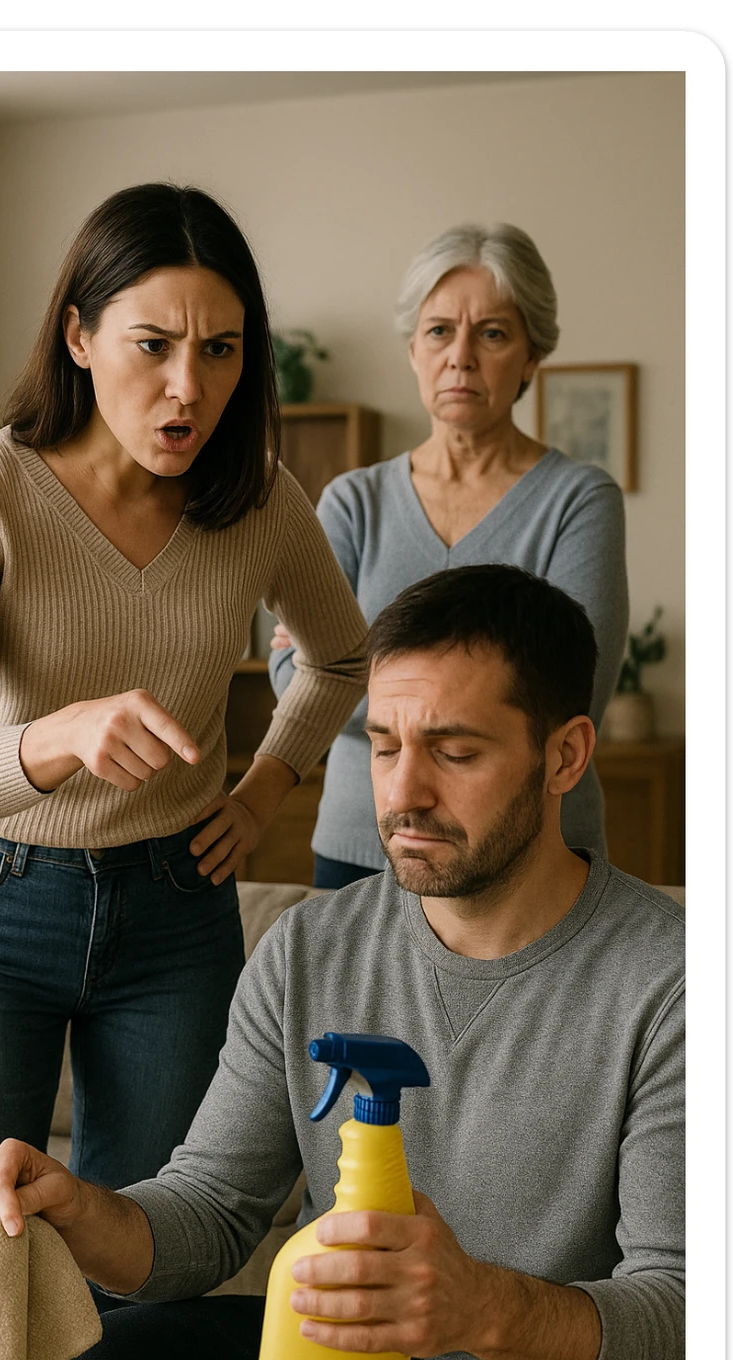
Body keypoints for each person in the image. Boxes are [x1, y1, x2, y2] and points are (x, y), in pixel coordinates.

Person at [0, 565, 684, 1360]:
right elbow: (213, 1208)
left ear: (565, 756)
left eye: (454, 753)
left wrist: (481, 1306)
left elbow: (686, 1313)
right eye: (383, 746)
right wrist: (76, 1216)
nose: (403, 794)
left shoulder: (673, 981)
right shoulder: (308, 949)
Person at [0, 183, 369, 1360]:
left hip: (174, 915)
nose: (187, 386)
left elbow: (340, 661)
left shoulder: (259, 499)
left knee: (134, 1282)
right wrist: (60, 735)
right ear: (78, 333)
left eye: (219, 351)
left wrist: (264, 787)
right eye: (153, 344)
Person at [270, 222, 629, 888]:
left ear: (531, 358)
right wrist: (474, 710)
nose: (460, 356)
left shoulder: (579, 499)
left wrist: (354, 671)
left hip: (529, 852)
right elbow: (295, 682)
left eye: (492, 333)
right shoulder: (352, 502)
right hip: (362, 847)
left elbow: (573, 694)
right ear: (413, 350)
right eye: (439, 331)